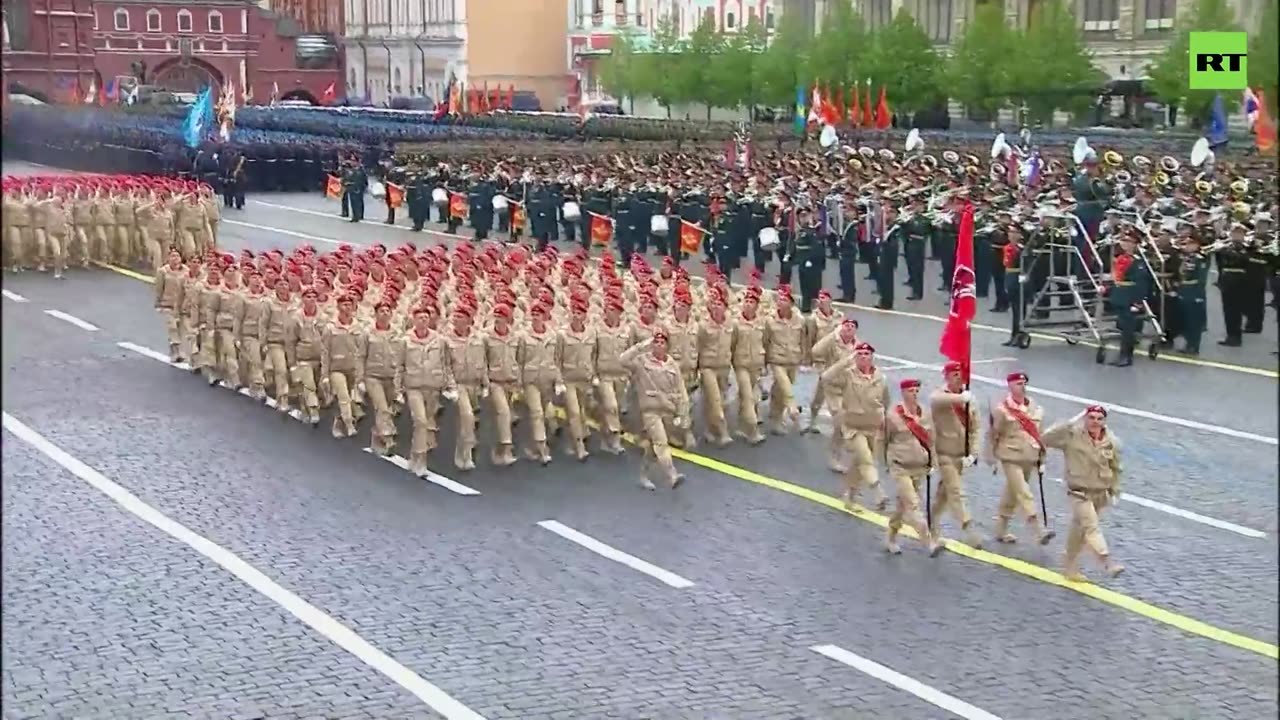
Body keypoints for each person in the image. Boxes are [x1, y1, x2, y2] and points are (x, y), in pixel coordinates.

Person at [1042, 405, 1125, 582]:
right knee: (1091, 526)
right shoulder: (1072, 436)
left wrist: (1115, 489)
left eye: (1099, 419)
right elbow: (1045, 438)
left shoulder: (1111, 442)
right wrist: (1067, 423)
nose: (1095, 422)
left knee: (1078, 531)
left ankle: (1069, 566)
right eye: (1091, 418)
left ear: (1104, 422)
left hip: (1100, 493)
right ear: (1085, 419)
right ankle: (1107, 562)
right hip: (1078, 492)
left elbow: (1116, 468)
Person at [985, 371, 1055, 545]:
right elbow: (993, 434)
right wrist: (991, 457)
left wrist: (1042, 459)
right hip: (1010, 455)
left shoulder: (1036, 408)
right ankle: (1039, 530)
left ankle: (1000, 530)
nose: (1021, 386)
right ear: (1009, 385)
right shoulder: (1001, 410)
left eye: (1023, 383)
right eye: (1017, 383)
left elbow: (1040, 435)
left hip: (1029, 456)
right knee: (1024, 493)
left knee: (1012, 494)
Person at [821, 341, 889, 512]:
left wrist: (884, 421)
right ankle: (878, 492)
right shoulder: (848, 375)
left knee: (858, 465)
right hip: (853, 427)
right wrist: (846, 360)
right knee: (866, 458)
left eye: (867, 354)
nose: (864, 357)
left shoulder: (881, 377)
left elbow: (885, 401)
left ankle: (850, 497)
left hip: (872, 426)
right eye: (860, 354)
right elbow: (826, 377)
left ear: (872, 357)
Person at [619, 331, 690, 491]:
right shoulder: (642, 362)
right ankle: (672, 475)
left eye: (662, 343)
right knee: (661, 443)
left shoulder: (672, 365)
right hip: (650, 410)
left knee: (653, 447)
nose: (658, 345)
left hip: (668, 410)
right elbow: (622, 360)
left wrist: (682, 412)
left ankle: (643, 475)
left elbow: (681, 390)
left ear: (667, 346)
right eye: (656, 342)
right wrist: (641, 346)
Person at [884, 378, 944, 557]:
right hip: (900, 467)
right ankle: (929, 542)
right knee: (913, 504)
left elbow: (931, 440)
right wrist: (886, 462)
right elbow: (884, 440)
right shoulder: (893, 416)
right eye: (911, 391)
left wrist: (933, 462)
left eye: (917, 390)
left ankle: (890, 537)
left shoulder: (925, 413)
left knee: (902, 506)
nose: (915, 393)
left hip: (919, 467)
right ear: (903, 392)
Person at [928, 362, 980, 548]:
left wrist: (973, 454)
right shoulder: (942, 396)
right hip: (944, 453)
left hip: (960, 456)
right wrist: (959, 399)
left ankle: (931, 524)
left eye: (960, 373)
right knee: (956, 490)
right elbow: (935, 399)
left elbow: (975, 429)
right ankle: (968, 527)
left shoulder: (969, 400)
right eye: (953, 374)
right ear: (946, 376)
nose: (958, 377)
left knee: (943, 495)